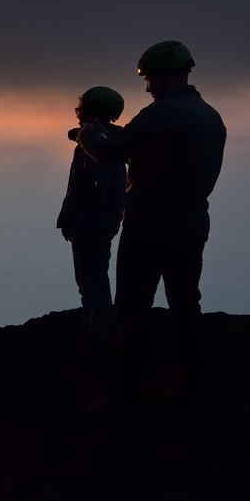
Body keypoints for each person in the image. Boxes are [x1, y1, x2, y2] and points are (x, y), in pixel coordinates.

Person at [75, 40, 226, 401]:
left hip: (148, 227)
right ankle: (189, 385)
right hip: (191, 225)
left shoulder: (159, 114)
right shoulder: (210, 116)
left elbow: (108, 152)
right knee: (186, 305)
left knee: (132, 309)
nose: (147, 87)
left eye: (148, 79)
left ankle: (130, 390)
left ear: (161, 75)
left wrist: (86, 134)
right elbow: (156, 149)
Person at [57, 86, 127, 346]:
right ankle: (93, 331)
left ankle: (98, 339)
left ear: (93, 113)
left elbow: (91, 192)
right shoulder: (108, 140)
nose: (77, 115)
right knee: (89, 282)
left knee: (92, 284)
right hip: (95, 224)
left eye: (81, 110)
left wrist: (78, 222)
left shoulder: (96, 142)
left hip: (91, 225)